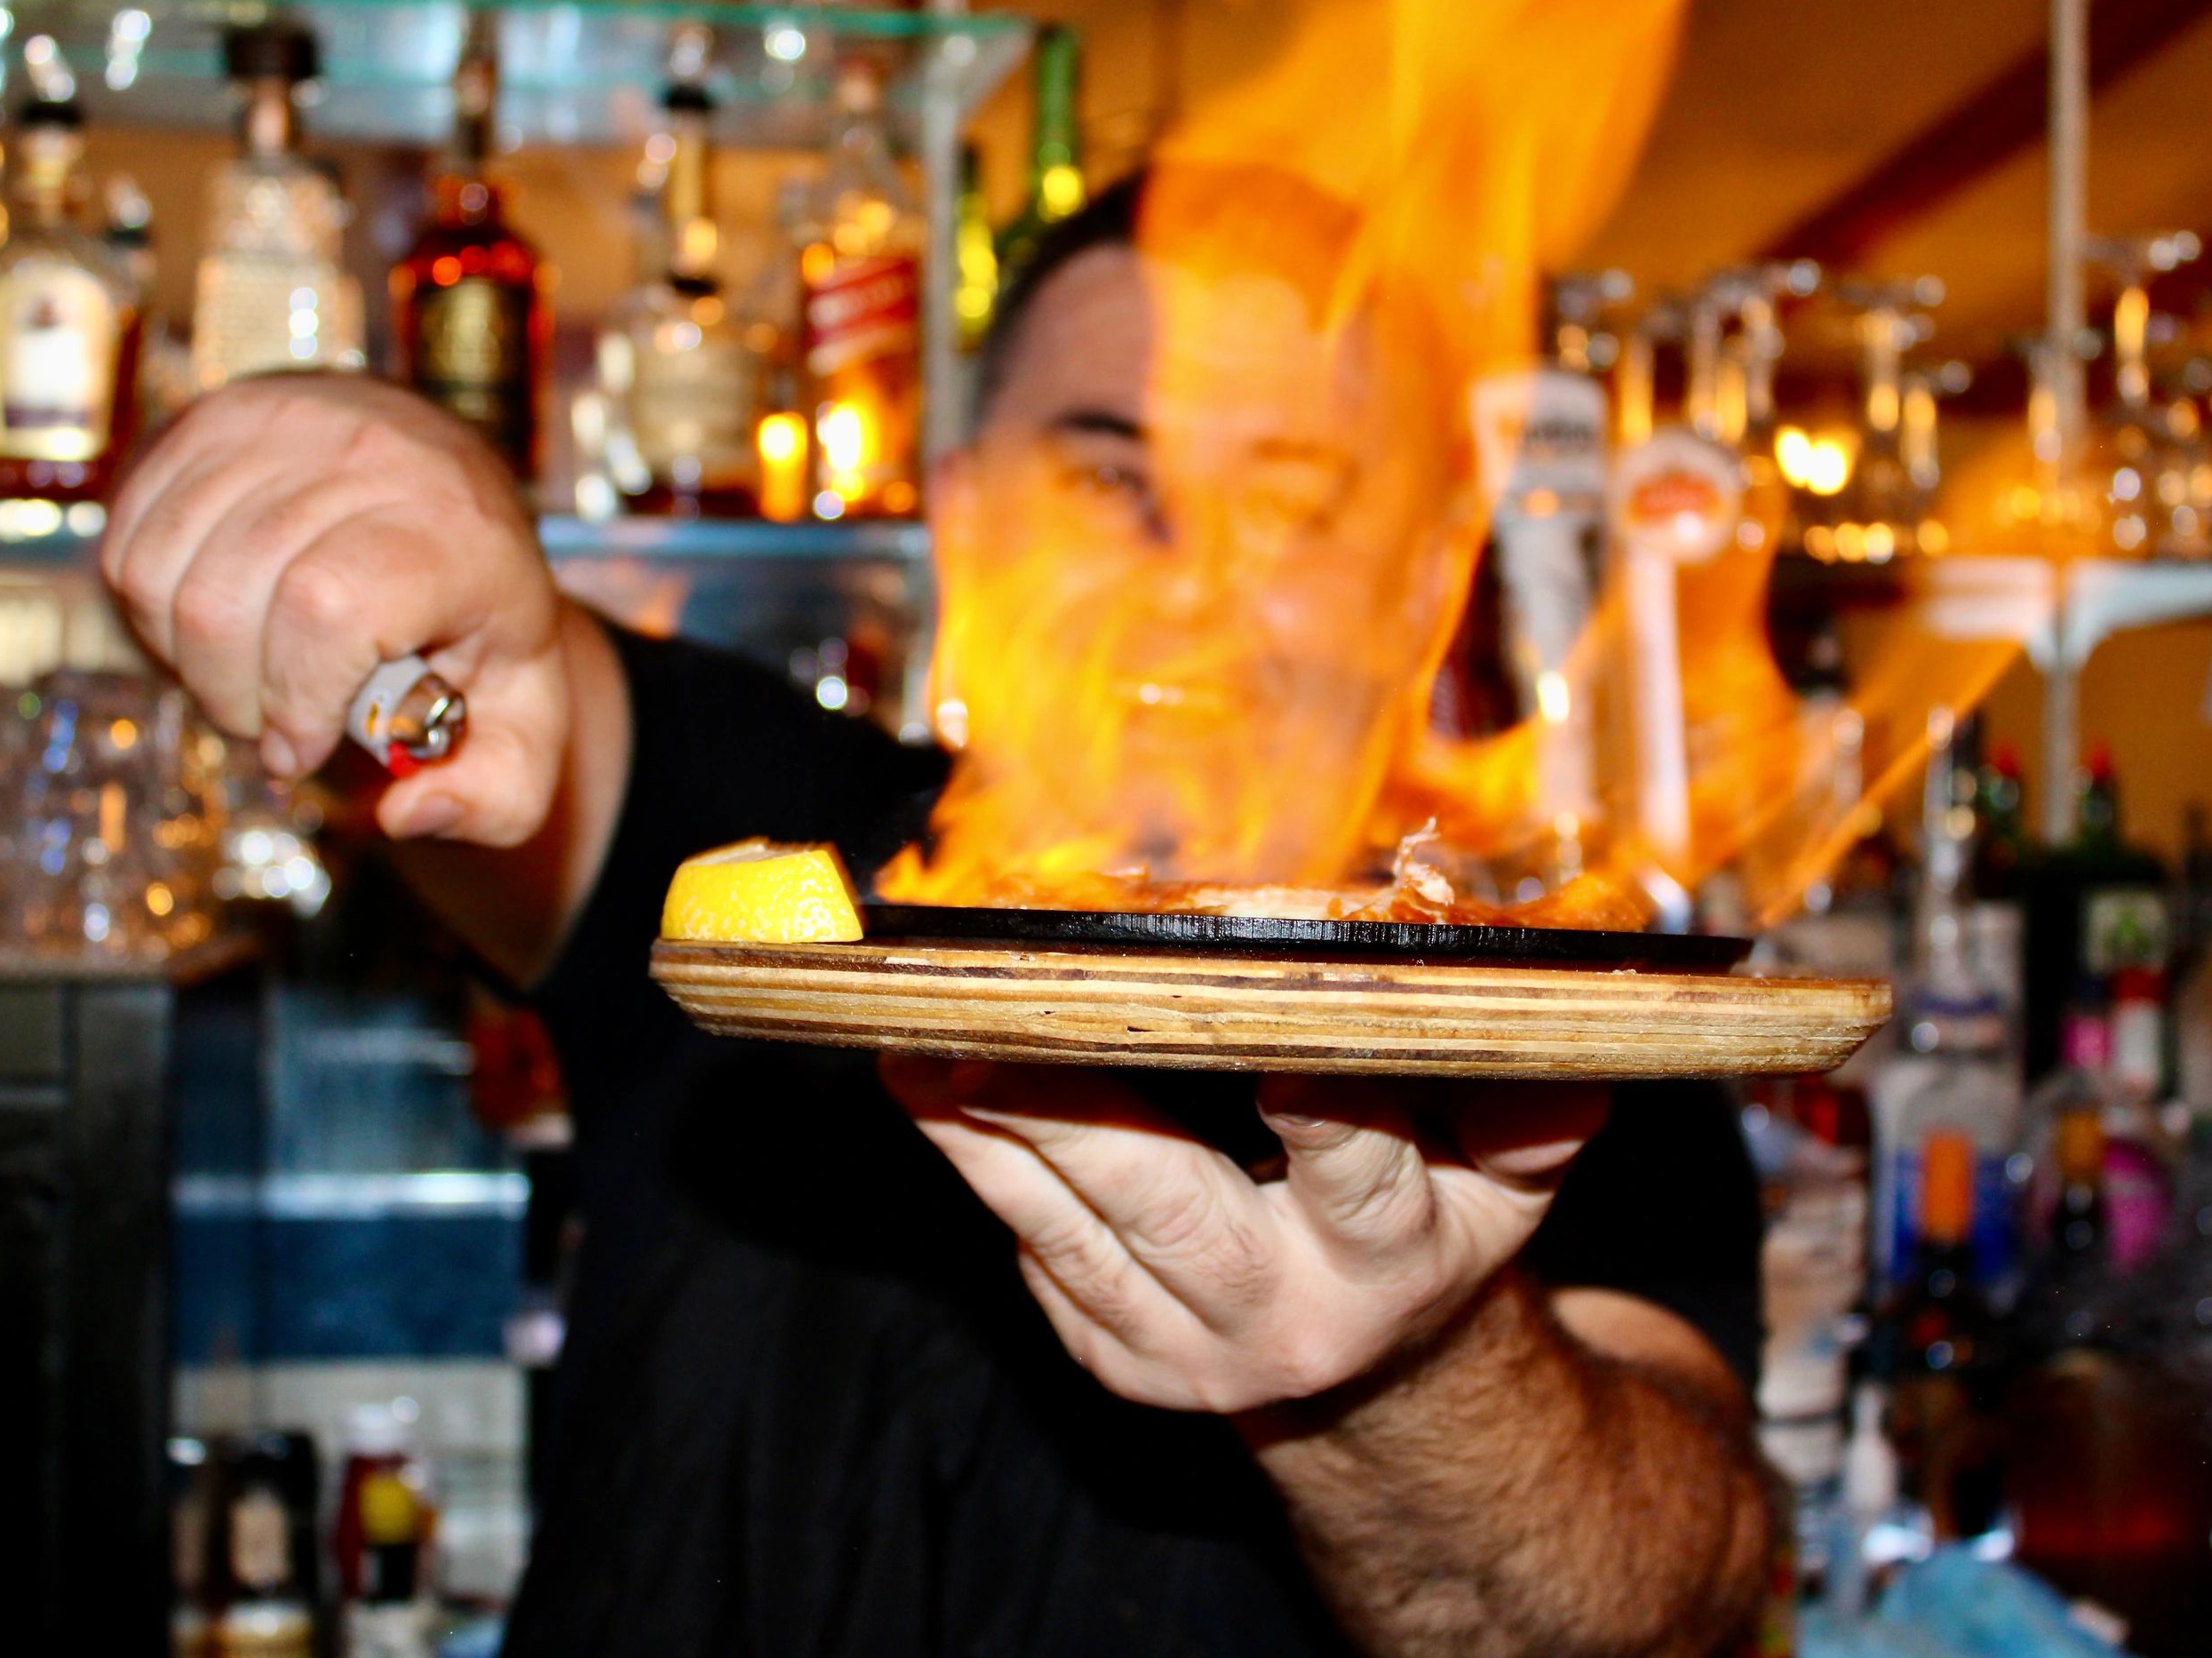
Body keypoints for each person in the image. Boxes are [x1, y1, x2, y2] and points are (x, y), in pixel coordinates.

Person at [103, 169, 1773, 1656]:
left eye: (1291, 500)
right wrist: (362, 486)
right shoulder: (785, 857)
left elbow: (1651, 1603)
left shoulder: (1552, 1013)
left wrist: (1401, 1365)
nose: (1190, 576)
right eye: (1109, 475)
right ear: (966, 520)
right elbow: (521, 698)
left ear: (1420, 581)